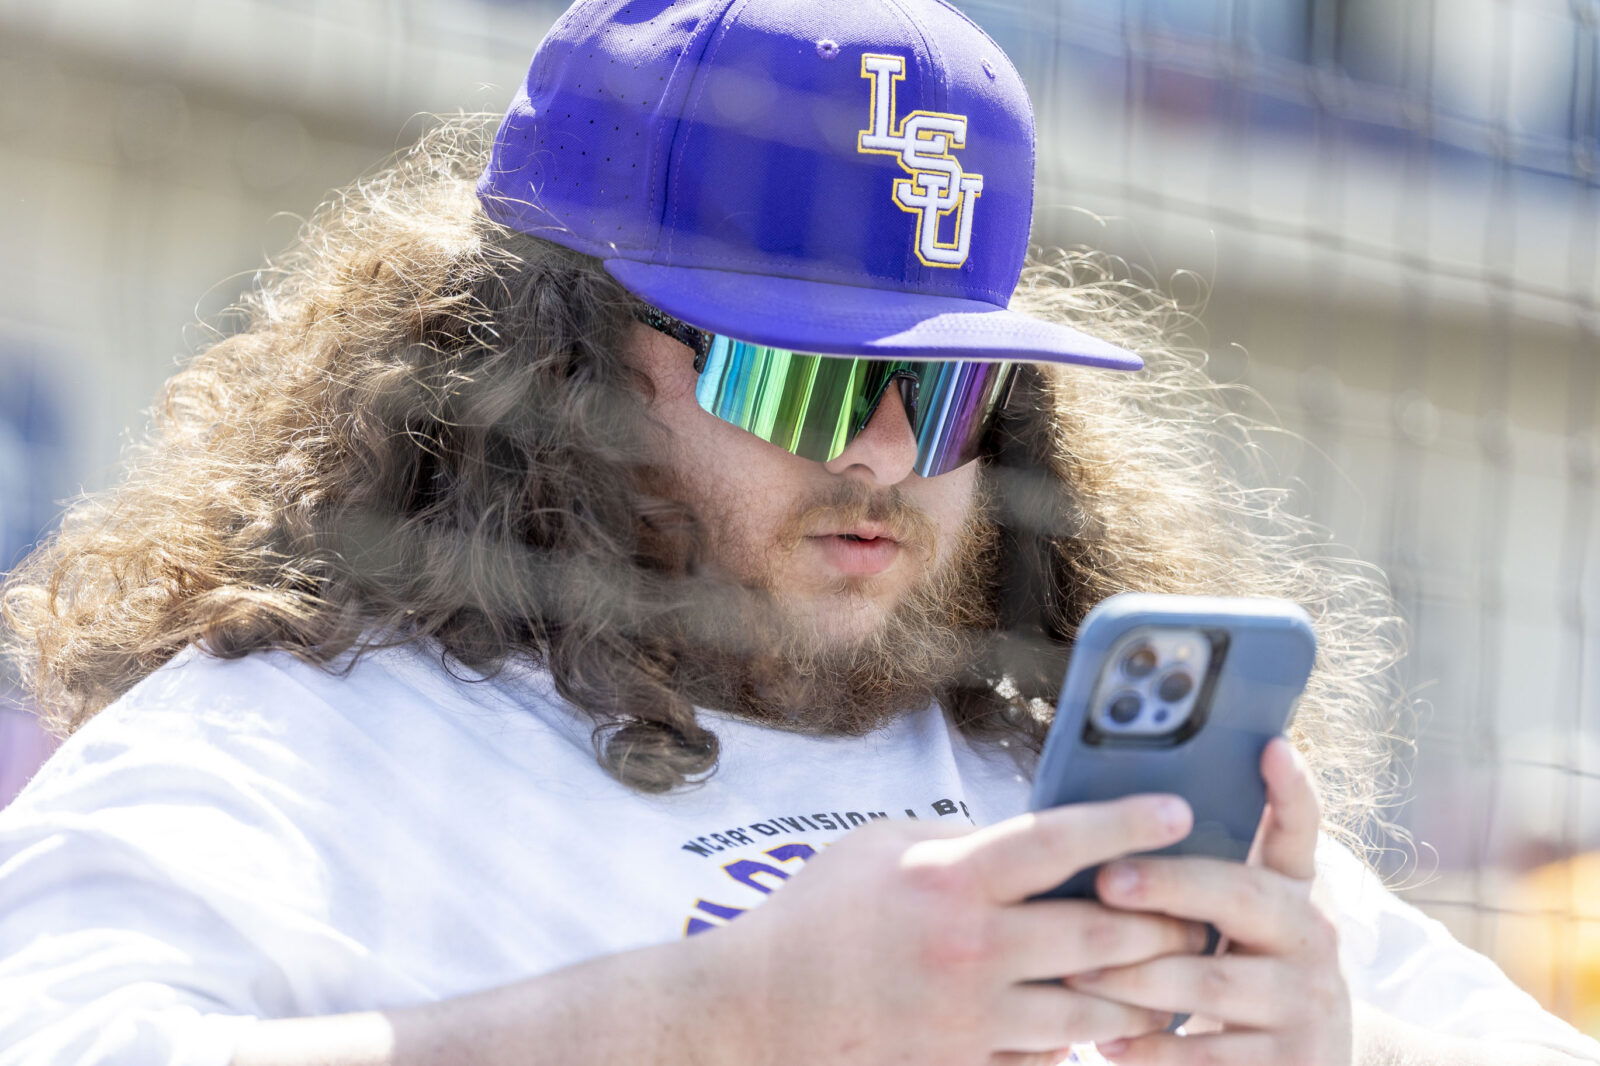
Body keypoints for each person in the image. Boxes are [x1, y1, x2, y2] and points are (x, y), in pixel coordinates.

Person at [1, 1, 1597, 1064]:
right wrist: (725, 1014)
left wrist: (1340, 1041)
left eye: (957, 387)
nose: (896, 455)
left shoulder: (1055, 768)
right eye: (806, 376)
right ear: (542, 366)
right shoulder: (306, 747)